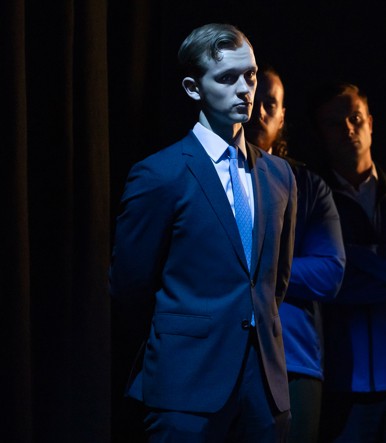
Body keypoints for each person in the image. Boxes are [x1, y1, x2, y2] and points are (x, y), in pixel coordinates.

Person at [108, 23, 297, 442]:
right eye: (227, 78)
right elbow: (131, 285)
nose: (244, 89)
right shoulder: (160, 174)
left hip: (264, 388)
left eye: (249, 75)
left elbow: (274, 282)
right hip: (186, 386)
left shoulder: (280, 175)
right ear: (194, 89)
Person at [308, 81, 386, 442]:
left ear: (371, 122)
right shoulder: (313, 197)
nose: (348, 129)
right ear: (320, 133)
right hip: (340, 385)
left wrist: (352, 255)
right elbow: (330, 283)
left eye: (354, 117)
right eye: (334, 123)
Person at [245, 65, 346, 443]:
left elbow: (330, 272)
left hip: (294, 360)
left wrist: (251, 271)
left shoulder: (308, 186)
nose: (259, 112)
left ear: (282, 116)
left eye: (271, 104)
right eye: (255, 101)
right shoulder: (206, 175)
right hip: (220, 357)